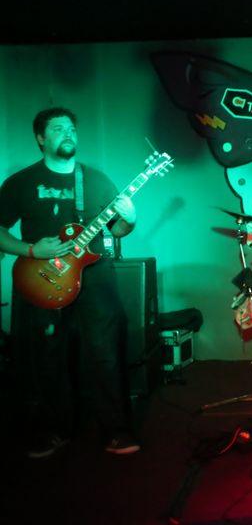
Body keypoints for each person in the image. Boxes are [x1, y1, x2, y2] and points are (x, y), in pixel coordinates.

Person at [0, 107, 140, 458]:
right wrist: (31, 249)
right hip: (43, 277)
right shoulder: (21, 182)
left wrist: (130, 220)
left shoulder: (96, 180)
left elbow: (117, 230)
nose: (68, 133)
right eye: (58, 129)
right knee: (49, 356)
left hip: (95, 278)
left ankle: (116, 431)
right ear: (40, 138)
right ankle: (55, 430)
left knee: (105, 352)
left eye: (72, 129)